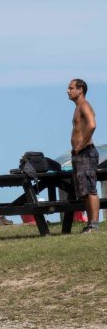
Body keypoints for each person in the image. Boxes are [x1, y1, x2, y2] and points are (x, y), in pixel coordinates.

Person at [67, 78, 99, 233]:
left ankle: (94, 224)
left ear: (80, 89)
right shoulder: (78, 107)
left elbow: (92, 124)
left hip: (86, 152)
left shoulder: (84, 105)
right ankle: (90, 225)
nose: (68, 91)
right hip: (79, 155)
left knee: (91, 189)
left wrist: (82, 144)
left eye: (71, 88)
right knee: (84, 191)